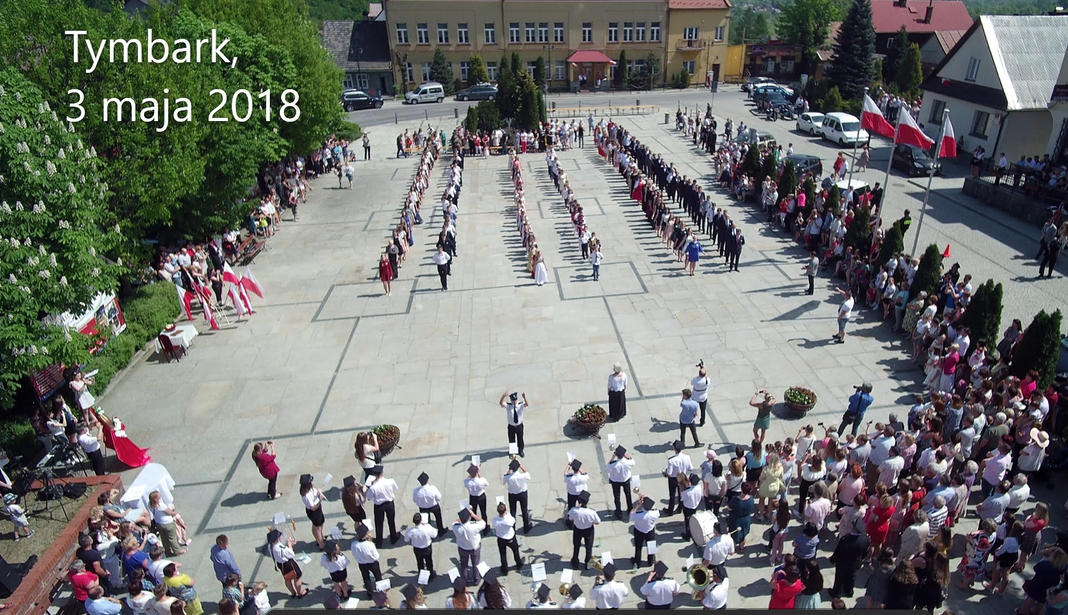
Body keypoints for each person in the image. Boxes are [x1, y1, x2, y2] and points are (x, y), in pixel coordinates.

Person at [829, 515, 870, 598]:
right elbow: (866, 551)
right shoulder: (866, 539)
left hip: (843, 563)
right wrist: (861, 559)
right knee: (852, 577)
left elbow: (838, 552)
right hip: (855, 563)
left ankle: (836, 593)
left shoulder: (845, 539)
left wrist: (833, 559)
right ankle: (849, 591)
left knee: (839, 578)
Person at [367, 465, 400, 547]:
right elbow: (396, 488)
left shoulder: (373, 487)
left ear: (375, 475)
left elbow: (369, 498)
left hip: (379, 506)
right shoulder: (390, 481)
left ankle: (379, 542)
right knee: (391, 521)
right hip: (389, 503)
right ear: (382, 472)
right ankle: (393, 538)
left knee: (379, 524)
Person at [268, 529, 306, 598]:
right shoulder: (280, 547)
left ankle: (293, 593)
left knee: (287, 578)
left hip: (280, 565)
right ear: (278, 539)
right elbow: (291, 554)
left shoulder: (270, 546)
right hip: (288, 564)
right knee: (297, 577)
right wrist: (289, 544)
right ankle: (299, 593)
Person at [149, 491, 188, 556]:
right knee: (172, 538)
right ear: (156, 499)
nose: (160, 495)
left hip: (159, 523)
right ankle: (177, 551)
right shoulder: (161, 506)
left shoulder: (150, 504)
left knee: (164, 538)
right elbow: (170, 513)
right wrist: (175, 512)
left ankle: (167, 550)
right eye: (159, 495)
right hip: (168, 523)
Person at [453, 507, 486, 583]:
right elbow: (483, 523)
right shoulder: (474, 526)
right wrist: (474, 515)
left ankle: (465, 580)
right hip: (474, 548)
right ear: (469, 517)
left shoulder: (456, 528)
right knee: (475, 564)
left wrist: (461, 518)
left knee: (464, 564)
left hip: (462, 548)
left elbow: (454, 523)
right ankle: (476, 579)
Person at [568, 490, 599, 569]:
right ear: (587, 502)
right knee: (588, 547)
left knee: (576, 545)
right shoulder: (591, 512)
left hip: (577, 529)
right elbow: (597, 522)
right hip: (588, 530)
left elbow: (570, 519)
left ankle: (575, 561)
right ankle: (587, 563)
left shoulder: (574, 510)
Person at [404, 511, 439, 582]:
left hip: (417, 549)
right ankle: (430, 575)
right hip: (427, 548)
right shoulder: (427, 527)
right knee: (429, 561)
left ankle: (422, 576)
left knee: (420, 562)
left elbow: (406, 540)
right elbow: (434, 534)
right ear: (421, 520)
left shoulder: (410, 531)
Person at [491, 502, 524, 575]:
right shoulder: (508, 520)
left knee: (502, 554)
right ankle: (518, 563)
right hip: (510, 538)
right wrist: (507, 513)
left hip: (501, 538)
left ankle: (505, 569)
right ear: (505, 510)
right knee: (515, 551)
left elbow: (493, 525)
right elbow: (513, 521)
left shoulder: (495, 520)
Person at [350, 524, 382, 598]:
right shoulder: (370, 545)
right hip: (372, 563)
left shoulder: (354, 544)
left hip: (362, 564)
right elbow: (376, 556)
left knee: (366, 578)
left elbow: (354, 554)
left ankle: (370, 593)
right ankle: (380, 591)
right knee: (378, 577)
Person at [663, 440, 693, 516]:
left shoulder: (671, 460)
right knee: (681, 493)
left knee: (672, 495)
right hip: (683, 477)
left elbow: (669, 474)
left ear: (674, 448)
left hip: (673, 479)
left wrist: (665, 472)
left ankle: (670, 510)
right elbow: (691, 468)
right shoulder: (687, 457)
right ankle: (680, 508)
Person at [504, 459, 533, 534]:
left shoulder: (508, 477)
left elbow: (503, 481)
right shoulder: (522, 475)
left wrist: (509, 470)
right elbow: (528, 474)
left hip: (512, 495)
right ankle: (526, 527)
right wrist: (521, 466)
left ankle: (513, 528)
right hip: (522, 493)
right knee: (524, 510)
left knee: (513, 511)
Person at [632, 496, 661, 569]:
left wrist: (638, 505)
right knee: (651, 546)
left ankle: (637, 562)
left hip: (639, 531)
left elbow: (631, 515)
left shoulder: (638, 514)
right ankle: (650, 561)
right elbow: (654, 508)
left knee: (638, 547)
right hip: (650, 531)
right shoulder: (655, 513)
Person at [607, 445, 635, 520]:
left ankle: (618, 512)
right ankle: (630, 509)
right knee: (628, 495)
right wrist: (627, 456)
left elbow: (607, 469)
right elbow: (633, 462)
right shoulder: (627, 462)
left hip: (615, 481)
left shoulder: (613, 464)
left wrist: (612, 458)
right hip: (625, 480)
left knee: (617, 496)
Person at [299, 474, 326, 550]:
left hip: (317, 509)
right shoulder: (306, 495)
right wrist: (320, 500)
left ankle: (320, 539)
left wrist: (318, 492)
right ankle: (321, 545)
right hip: (314, 511)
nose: (312, 483)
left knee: (318, 526)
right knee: (318, 528)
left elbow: (314, 494)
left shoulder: (310, 489)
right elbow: (313, 508)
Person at [500, 391, 530, 457]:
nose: (514, 402)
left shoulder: (520, 404)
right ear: (510, 400)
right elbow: (501, 404)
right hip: (511, 426)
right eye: (513, 401)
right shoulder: (509, 406)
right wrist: (503, 397)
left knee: (520, 438)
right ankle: (513, 451)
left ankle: (520, 450)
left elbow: (527, 404)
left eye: (515, 400)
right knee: (511, 439)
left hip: (519, 426)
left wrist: (524, 397)